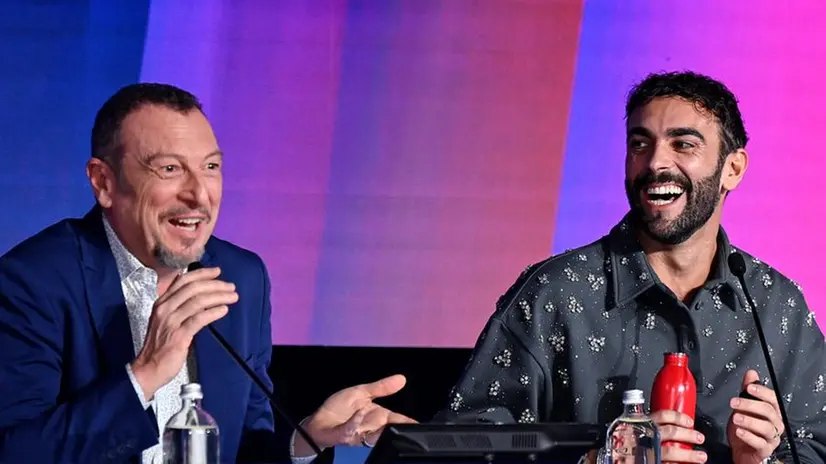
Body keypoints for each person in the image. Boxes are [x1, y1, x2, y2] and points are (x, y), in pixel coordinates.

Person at [0, 83, 415, 463]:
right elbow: (15, 452)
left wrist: (306, 438)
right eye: (169, 169)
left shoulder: (241, 278)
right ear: (104, 182)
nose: (199, 194)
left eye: (211, 167)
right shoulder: (31, 282)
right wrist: (145, 373)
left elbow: (246, 444)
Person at [435, 71, 826, 464]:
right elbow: (467, 443)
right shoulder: (554, 294)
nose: (655, 162)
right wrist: (594, 460)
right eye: (640, 144)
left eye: (683, 144)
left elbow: (816, 447)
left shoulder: (778, 308)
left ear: (733, 169)